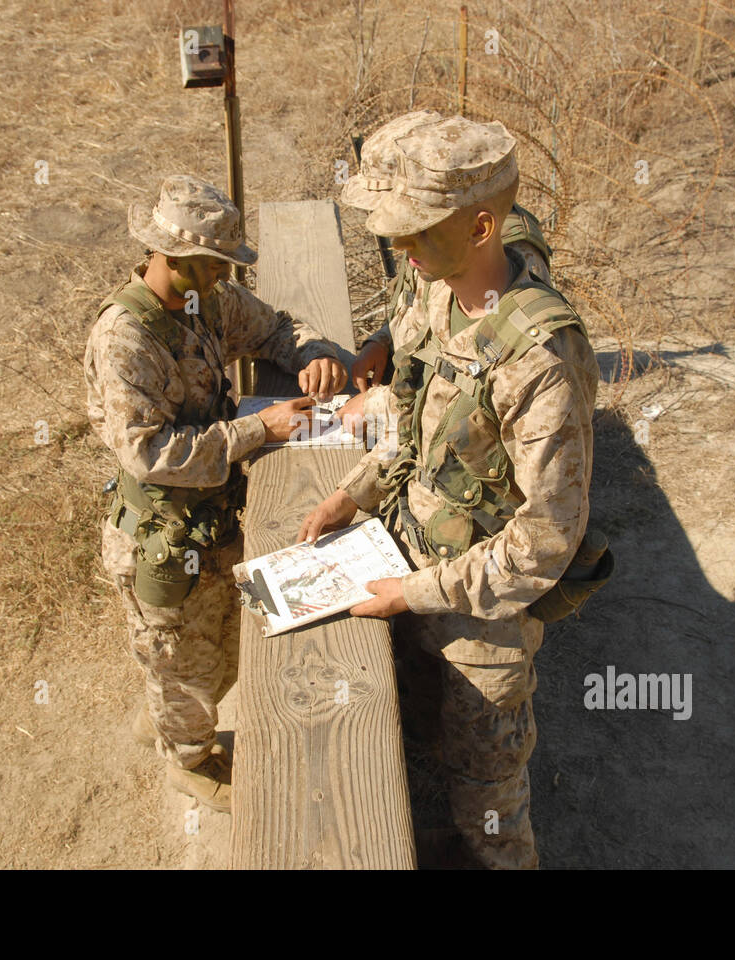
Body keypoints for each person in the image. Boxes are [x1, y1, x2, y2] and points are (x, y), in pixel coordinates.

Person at [298, 116, 602, 868]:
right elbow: (413, 417)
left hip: (481, 622)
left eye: (416, 233)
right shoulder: (436, 296)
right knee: (419, 737)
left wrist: (417, 592)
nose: (400, 251)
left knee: (488, 794)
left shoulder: (541, 360)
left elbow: (547, 539)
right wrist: (358, 492)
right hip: (411, 555)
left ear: (480, 226)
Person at [85, 175, 346, 812]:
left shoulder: (207, 300)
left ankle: (170, 714)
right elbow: (150, 454)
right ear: (173, 258)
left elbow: (273, 328)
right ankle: (189, 762)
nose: (226, 275)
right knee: (184, 662)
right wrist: (259, 428)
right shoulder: (126, 339)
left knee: (216, 654)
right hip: (165, 538)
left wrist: (312, 351)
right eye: (217, 263)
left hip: (214, 520)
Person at [336, 109, 555, 433]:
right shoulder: (434, 239)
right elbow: (423, 307)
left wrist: (378, 406)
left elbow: (473, 380)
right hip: (411, 407)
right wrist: (382, 341)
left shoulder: (491, 250)